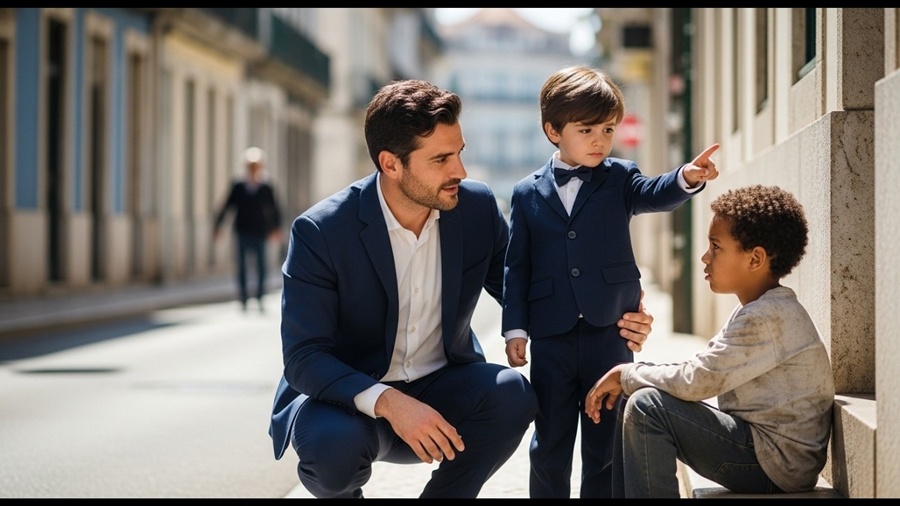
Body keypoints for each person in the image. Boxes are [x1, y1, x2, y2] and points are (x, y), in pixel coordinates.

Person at [267, 79, 655, 499]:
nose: (460, 172)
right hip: (353, 406)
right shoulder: (321, 232)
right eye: (441, 159)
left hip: (444, 390)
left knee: (513, 395)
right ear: (391, 164)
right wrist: (389, 402)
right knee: (331, 451)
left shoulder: (473, 208)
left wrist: (615, 314)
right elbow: (304, 357)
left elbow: (529, 289)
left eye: (459, 153)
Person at [501, 64, 719, 498]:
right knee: (550, 441)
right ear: (553, 130)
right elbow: (517, 265)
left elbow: (654, 192)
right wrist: (515, 328)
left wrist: (686, 178)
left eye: (608, 128)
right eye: (586, 130)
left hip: (609, 331)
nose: (600, 140)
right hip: (551, 335)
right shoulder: (526, 193)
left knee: (604, 441)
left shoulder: (620, 177)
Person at [584, 184, 835, 498]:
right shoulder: (760, 309)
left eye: (716, 247)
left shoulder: (766, 318)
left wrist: (627, 373)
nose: (705, 257)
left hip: (776, 465)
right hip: (763, 451)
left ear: (755, 258)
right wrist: (631, 378)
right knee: (632, 398)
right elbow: (699, 369)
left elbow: (696, 381)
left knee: (648, 407)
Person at [213, 146, 282, 312]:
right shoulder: (238, 186)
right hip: (242, 230)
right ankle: (243, 297)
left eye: (256, 166)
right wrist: (218, 226)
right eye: (250, 166)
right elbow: (227, 206)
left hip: (260, 231)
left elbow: (274, 209)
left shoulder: (266, 186)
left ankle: (259, 297)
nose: (253, 169)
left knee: (260, 266)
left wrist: (276, 228)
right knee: (242, 266)